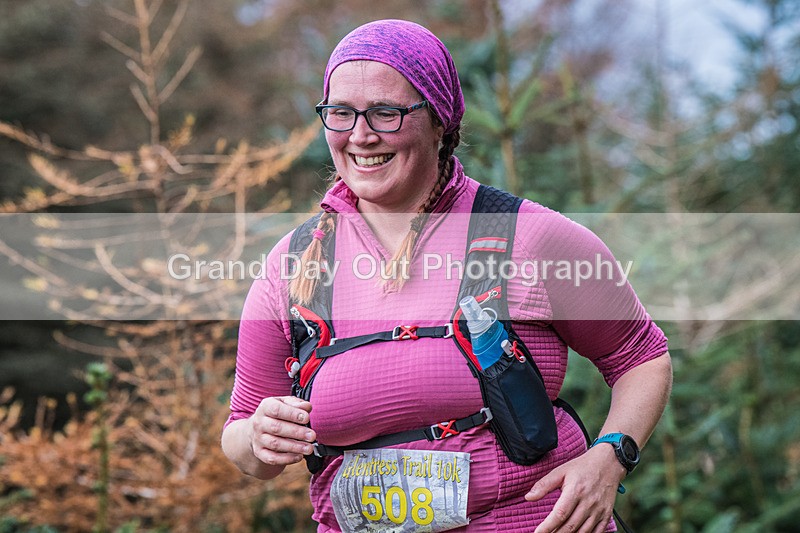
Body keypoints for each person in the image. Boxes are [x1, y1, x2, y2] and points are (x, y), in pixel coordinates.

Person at [222, 19, 672, 533]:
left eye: (386, 113)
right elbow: (242, 440)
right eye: (341, 113)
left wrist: (611, 457)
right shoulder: (292, 265)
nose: (360, 135)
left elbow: (641, 357)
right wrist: (259, 436)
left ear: (439, 122)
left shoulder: (528, 236)